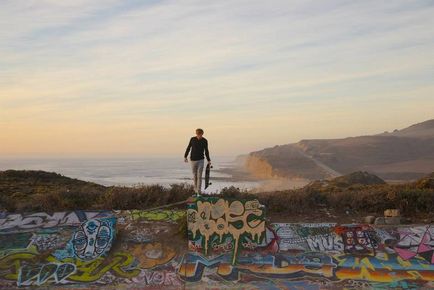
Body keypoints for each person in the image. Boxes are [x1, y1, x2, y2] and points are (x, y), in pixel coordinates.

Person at [184, 128, 211, 195]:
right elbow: (188, 147)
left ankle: (198, 191)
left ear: (202, 134)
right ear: (196, 134)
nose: (199, 136)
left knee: (199, 176)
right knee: (195, 176)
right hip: (193, 160)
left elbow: (206, 151)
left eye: (200, 134)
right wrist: (185, 156)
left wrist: (208, 160)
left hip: (201, 160)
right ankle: (195, 190)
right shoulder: (192, 139)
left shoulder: (205, 141)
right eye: (198, 134)